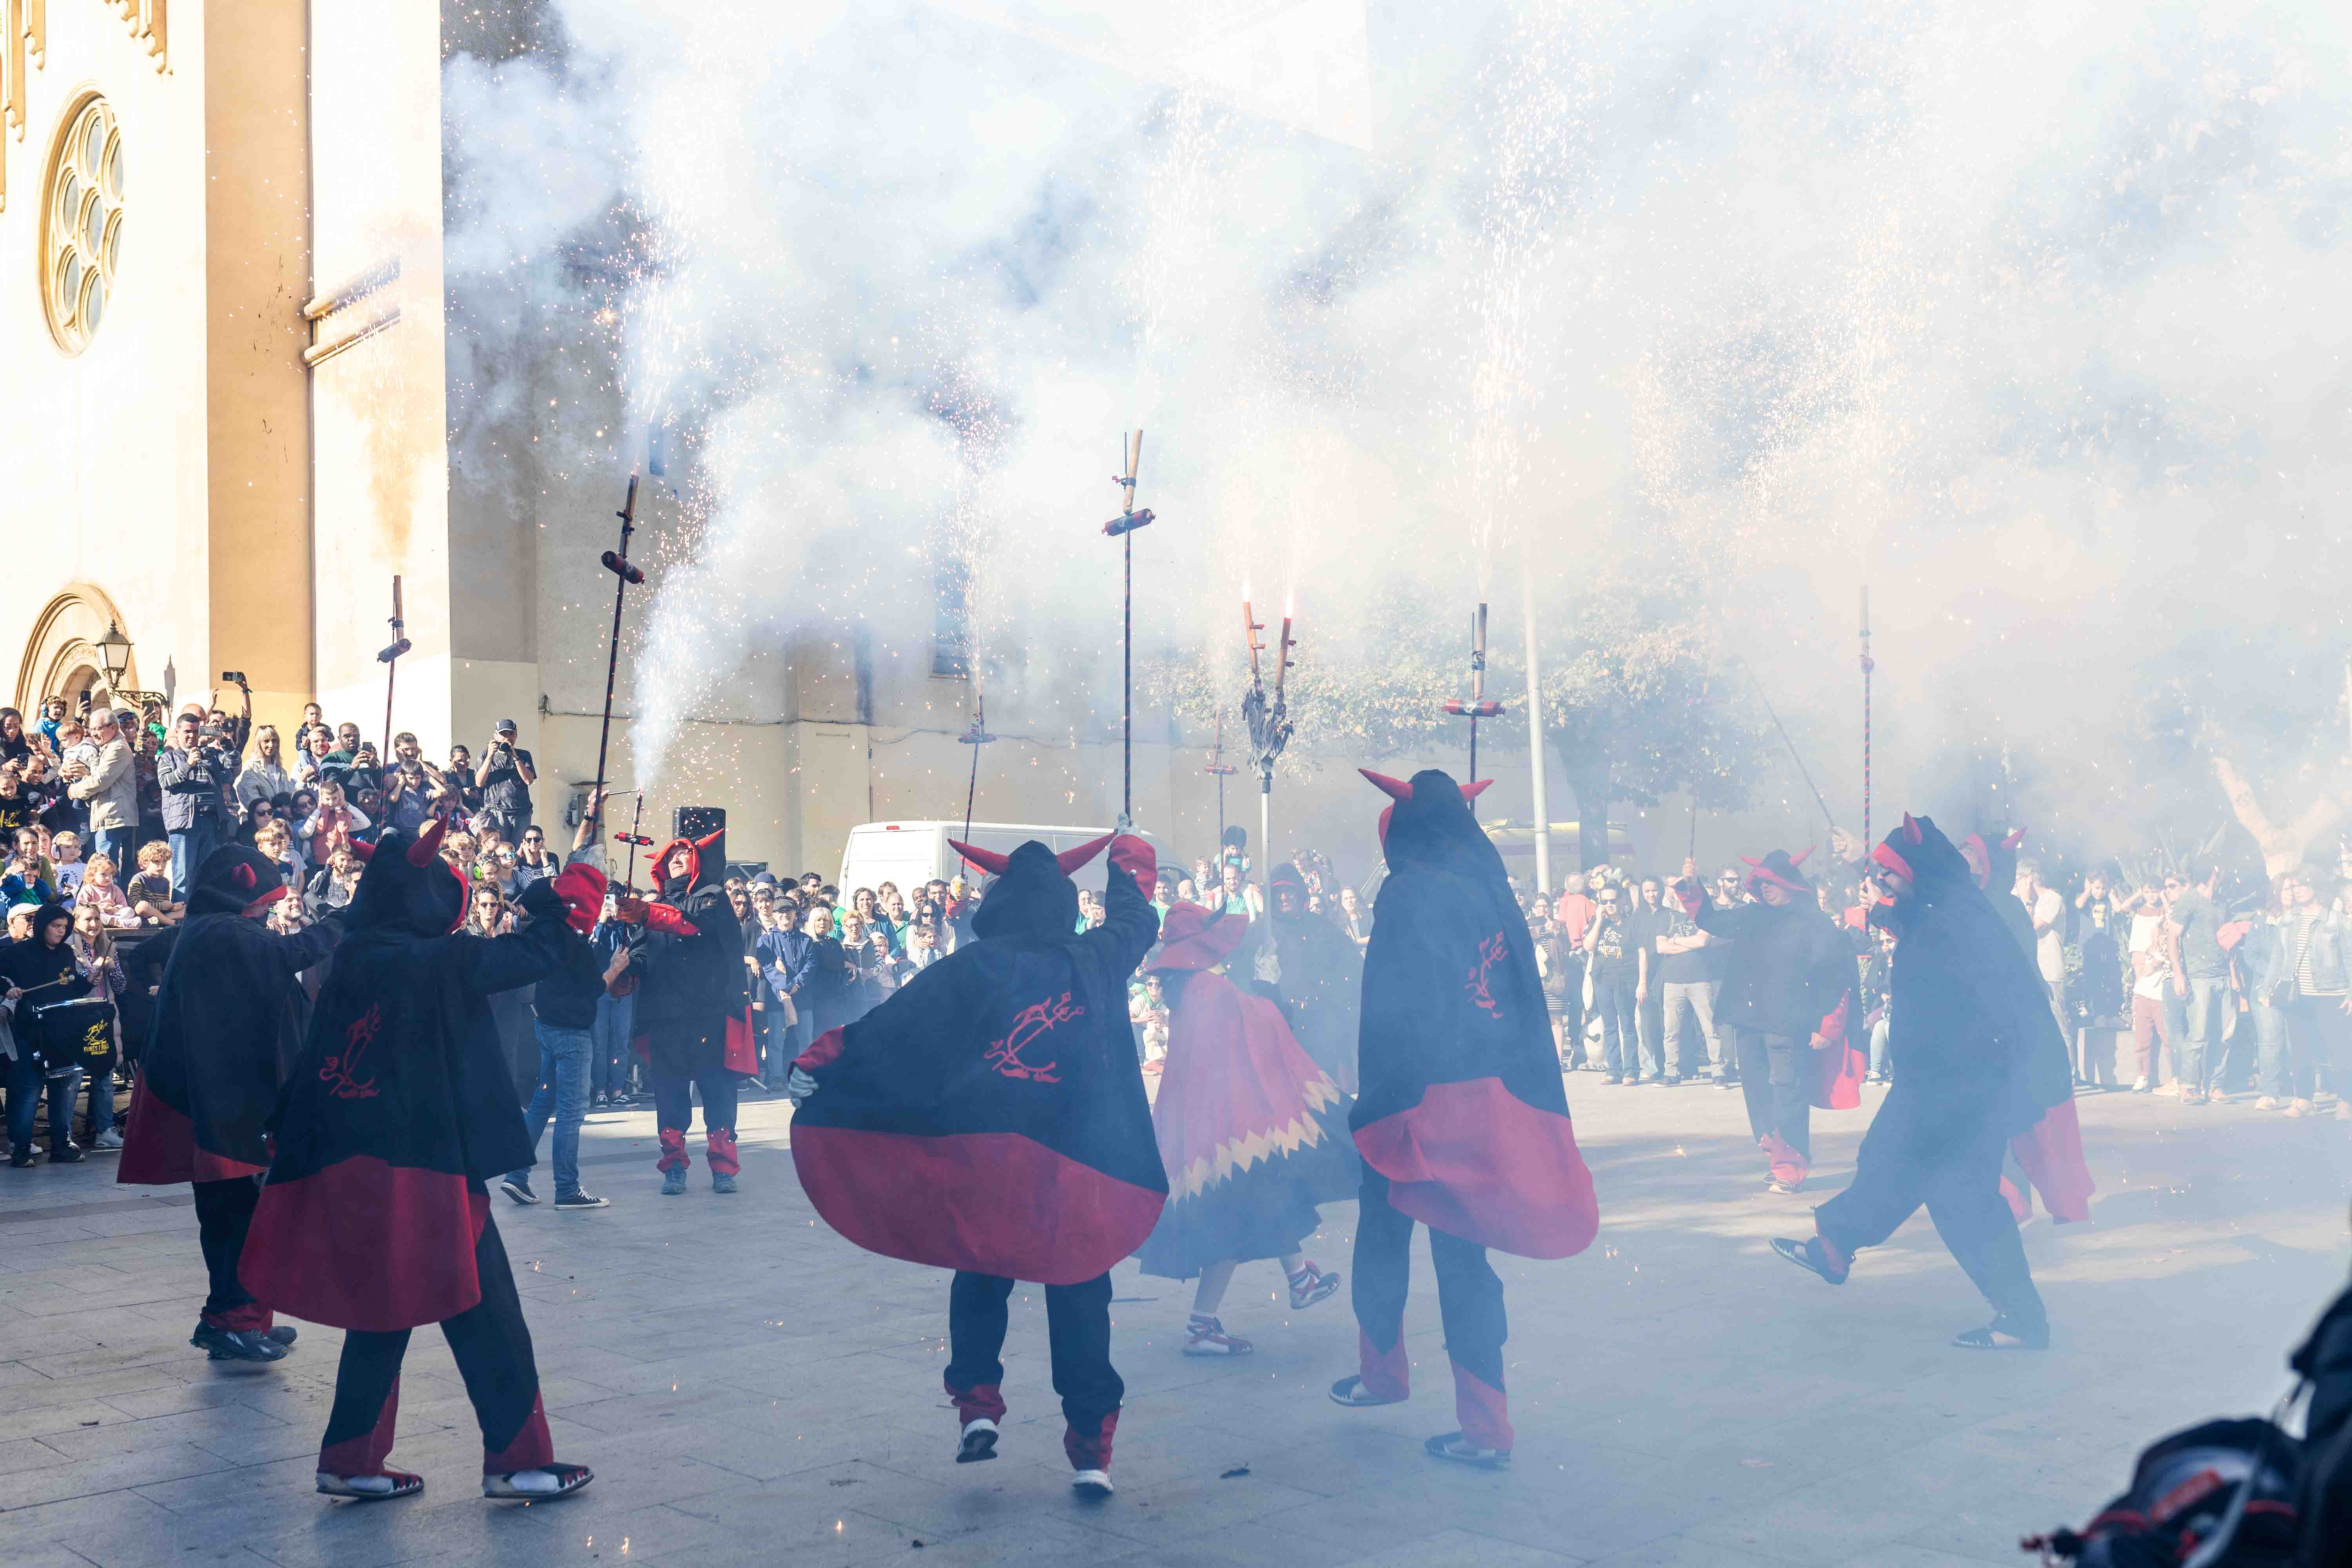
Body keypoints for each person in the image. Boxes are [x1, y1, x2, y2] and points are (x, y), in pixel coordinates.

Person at [785, 831, 1161, 1497]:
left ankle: (978, 1405)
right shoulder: (1097, 957)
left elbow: (896, 1024)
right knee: (1081, 1295)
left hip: (989, 1162)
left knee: (981, 1271)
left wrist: (824, 1060)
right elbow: (1137, 923)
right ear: (1062, 902)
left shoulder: (977, 965)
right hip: (1075, 1167)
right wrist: (1127, 866)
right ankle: (1091, 1450)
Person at [238, 815, 598, 1501]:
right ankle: (517, 1459)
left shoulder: (355, 954)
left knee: (385, 1308)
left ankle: (350, 1458)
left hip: (351, 1166)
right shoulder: (431, 960)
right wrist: (564, 894)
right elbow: (539, 952)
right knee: (486, 1309)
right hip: (425, 1173)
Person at [1333, 771, 1599, 1471]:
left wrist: (1377, 1102)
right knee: (1465, 1261)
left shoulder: (1409, 890)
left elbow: (1393, 1004)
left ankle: (1382, 1375)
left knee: (1384, 1237)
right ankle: (1487, 1426)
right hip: (1490, 1098)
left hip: (1418, 1100)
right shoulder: (1493, 888)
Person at [1774, 815, 2065, 1350]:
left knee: (1942, 1189)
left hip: (1959, 1088)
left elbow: (1933, 941)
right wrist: (1863, 867)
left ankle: (1839, 1243)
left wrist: (1876, 891)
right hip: (1942, 1086)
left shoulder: (1957, 920)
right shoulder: (1944, 909)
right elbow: (1909, 915)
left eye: (1889, 875)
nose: (1883, 884)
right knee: (1919, 1178)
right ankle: (1837, 1243)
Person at [114, 844, 344, 1361]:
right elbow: (293, 955)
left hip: (223, 1096)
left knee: (240, 1214)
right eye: (263, 898)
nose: (267, 907)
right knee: (234, 1217)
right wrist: (352, 917)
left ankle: (245, 1318)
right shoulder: (222, 931)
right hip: (218, 1104)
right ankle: (229, 1321)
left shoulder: (212, 931)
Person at [1138, 900, 1350, 1355]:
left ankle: (1298, 1280)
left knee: (1262, 1202)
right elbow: (1260, 1023)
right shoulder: (1208, 990)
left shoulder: (1189, 989)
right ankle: (1207, 1324)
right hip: (1228, 1131)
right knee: (1238, 1216)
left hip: (1217, 1126)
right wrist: (1267, 990)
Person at [1682, 848, 1857, 1193]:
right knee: (1758, 1092)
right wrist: (1693, 886)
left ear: (1791, 884)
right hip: (1747, 1020)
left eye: (1771, 883)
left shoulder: (1814, 921)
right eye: (1760, 883)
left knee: (1787, 1092)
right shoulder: (1752, 914)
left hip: (1789, 1023)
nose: (1765, 890)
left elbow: (1835, 976)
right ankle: (1777, 1158)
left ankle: (1791, 1168)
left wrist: (1828, 1026)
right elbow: (1711, 921)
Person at [629, 829, 750, 1194]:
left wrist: (647, 912)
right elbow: (641, 950)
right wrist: (626, 972)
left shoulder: (712, 898)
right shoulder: (651, 906)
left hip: (710, 1017)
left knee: (719, 1094)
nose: (676, 860)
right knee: (669, 1095)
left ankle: (724, 1169)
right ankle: (674, 1168)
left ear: (696, 861)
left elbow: (692, 924)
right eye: (670, 856)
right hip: (667, 1019)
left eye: (683, 855)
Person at [500, 862, 627, 1210]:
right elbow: (591, 990)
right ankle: (567, 1189)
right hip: (572, 1034)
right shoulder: (574, 942)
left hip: (547, 1028)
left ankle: (516, 1176)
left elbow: (539, 894)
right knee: (572, 1111)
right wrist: (615, 969)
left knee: (543, 1102)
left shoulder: (546, 929)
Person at [1256, 862, 1365, 1094]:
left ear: (1300, 893)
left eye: (1289, 891)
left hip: (1319, 1030)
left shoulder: (1322, 929)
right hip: (1277, 1030)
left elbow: (1353, 969)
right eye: (1277, 893)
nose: (1283, 897)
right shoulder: (1260, 932)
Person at [3, 900, 92, 1165]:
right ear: (42, 926)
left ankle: (62, 1145)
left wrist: (89, 982)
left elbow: (72, 990)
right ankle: (21, 1148)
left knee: (65, 1086)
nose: (61, 931)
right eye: (56, 926)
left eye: (65, 926)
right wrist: (7, 989)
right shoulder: (18, 953)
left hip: (62, 1030)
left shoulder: (66, 953)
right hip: (30, 1030)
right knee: (29, 1089)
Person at [2265, 867, 2352, 1121]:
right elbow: (2278, 957)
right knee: (2300, 1049)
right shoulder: (2288, 920)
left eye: (2303, 885)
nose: (2297, 890)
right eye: (2294, 886)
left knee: (2339, 1050)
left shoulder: (2335, 920)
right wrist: (2266, 987)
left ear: (2317, 887)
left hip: (2331, 994)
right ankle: (2303, 1099)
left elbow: (2350, 956)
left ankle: (2345, 1100)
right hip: (2297, 994)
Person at [2165, 860, 2230, 1105]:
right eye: (2221, 870)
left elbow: (2226, 939)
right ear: (2214, 872)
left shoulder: (2221, 902)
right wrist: (2178, 974)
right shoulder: (2189, 901)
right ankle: (2188, 1086)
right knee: (2199, 1033)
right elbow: (2173, 937)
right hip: (2199, 976)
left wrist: (2233, 975)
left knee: (2225, 1034)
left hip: (2223, 974)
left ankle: (2215, 1086)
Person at [1653, 873, 1728, 1085]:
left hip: (1700, 979)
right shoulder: (1665, 917)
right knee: (1671, 1031)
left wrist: (1675, 940)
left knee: (1710, 1029)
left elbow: (1703, 941)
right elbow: (1661, 947)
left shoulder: (1703, 916)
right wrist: (1690, 942)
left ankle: (1718, 1072)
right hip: (1673, 980)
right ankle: (1671, 1072)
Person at [158, 713, 241, 902]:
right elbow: (166, 782)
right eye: (187, 732)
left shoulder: (210, 754)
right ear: (177, 732)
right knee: (183, 876)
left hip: (211, 821)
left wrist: (227, 742)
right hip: (184, 824)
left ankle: (202, 918)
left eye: (196, 732)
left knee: (206, 874)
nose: (191, 736)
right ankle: (180, 921)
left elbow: (234, 763)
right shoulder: (168, 758)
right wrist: (188, 765)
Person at [1583, 880, 1643, 1084]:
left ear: (1622, 901)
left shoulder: (1632, 922)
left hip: (1625, 979)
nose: (1609, 905)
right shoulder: (1598, 922)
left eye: (1613, 901)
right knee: (1609, 1026)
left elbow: (1641, 952)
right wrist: (1599, 920)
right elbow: (1589, 946)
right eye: (1604, 901)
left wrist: (1641, 981)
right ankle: (1613, 1069)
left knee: (1627, 1025)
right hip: (1602, 978)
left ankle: (1631, 1071)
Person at [66, 707, 138, 871]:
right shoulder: (108, 745)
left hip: (113, 816)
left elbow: (100, 781)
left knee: (107, 869)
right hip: (111, 815)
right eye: (91, 730)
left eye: (98, 729)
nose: (94, 734)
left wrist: (75, 790)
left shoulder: (117, 747)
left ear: (113, 727)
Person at [475, 721, 536, 846]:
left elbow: (529, 780)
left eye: (511, 734)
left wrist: (516, 757)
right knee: (499, 849)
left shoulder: (524, 755)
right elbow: (479, 783)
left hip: (522, 812)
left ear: (516, 736)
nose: (507, 738)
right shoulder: (485, 755)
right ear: (495, 736)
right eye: (503, 734)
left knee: (519, 851)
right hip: (497, 812)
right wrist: (490, 757)